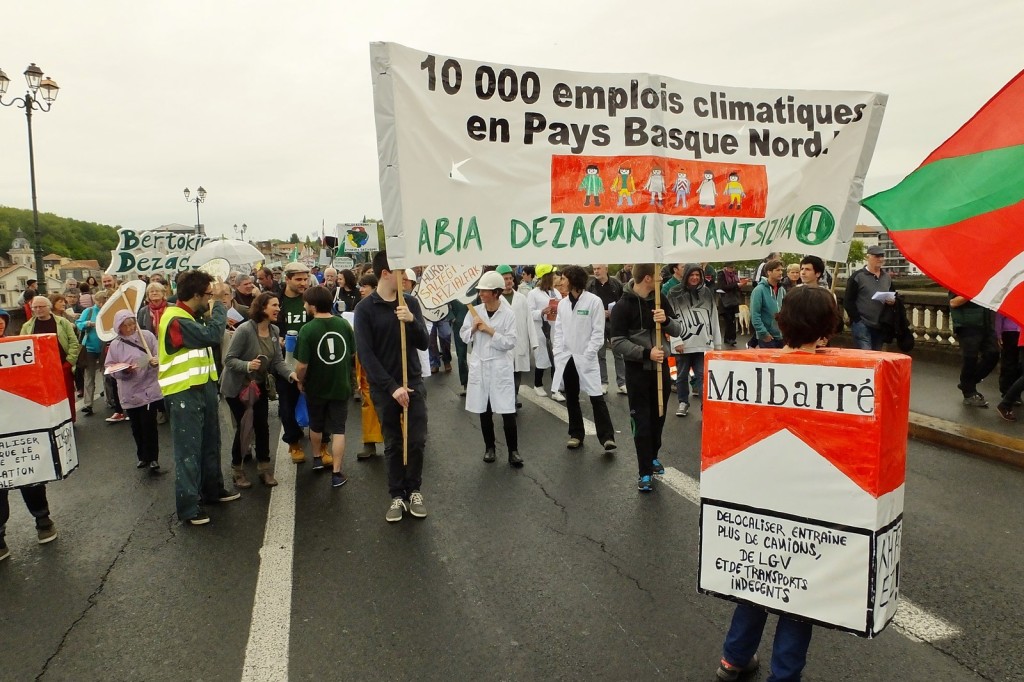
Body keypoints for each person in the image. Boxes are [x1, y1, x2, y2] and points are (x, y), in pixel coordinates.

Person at [714, 285, 842, 682]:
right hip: (807, 499)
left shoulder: (750, 366)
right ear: (825, 329)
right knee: (796, 590)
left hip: (756, 492)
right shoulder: (836, 378)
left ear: (783, 320)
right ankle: (783, 675)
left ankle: (733, 659)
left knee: (758, 574)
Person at [157, 269, 240, 526]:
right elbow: (211, 336)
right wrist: (218, 308)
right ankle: (189, 506)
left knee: (210, 443)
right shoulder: (175, 319)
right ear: (195, 295)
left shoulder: (190, 315)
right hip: (183, 391)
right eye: (206, 294)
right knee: (189, 451)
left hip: (202, 386)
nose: (209, 298)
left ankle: (213, 490)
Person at [354, 251, 430, 523]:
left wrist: (412, 321)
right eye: (401, 272)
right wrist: (391, 387)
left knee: (418, 441)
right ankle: (397, 494)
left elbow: (424, 343)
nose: (406, 278)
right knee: (394, 443)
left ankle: (415, 491)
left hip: (413, 382)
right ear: (386, 273)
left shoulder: (409, 302)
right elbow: (366, 354)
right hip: (385, 389)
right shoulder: (365, 309)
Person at [610, 264, 681, 491]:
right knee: (641, 421)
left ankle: (652, 456)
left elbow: (679, 329)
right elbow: (617, 342)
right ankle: (644, 472)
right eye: (659, 275)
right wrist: (645, 353)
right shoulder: (622, 306)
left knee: (658, 417)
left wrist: (666, 321)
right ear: (648, 278)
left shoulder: (660, 299)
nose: (662, 278)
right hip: (638, 372)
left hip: (660, 371)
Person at [222, 292, 296, 488]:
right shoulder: (245, 330)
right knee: (245, 427)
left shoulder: (274, 331)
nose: (278, 308)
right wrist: (248, 365)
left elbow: (278, 361)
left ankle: (264, 469)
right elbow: (229, 360)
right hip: (238, 387)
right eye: (274, 305)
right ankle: (237, 470)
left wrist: (292, 375)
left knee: (262, 426)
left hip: (259, 386)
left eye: (278, 305)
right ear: (262, 308)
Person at [295, 285, 356, 488]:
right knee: (339, 429)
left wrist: (300, 380)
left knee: (316, 424)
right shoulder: (343, 325)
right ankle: (337, 473)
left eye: (305, 302)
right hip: (340, 384)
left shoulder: (307, 329)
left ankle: (317, 459)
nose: (304, 305)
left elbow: (302, 364)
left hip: (316, 385)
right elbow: (353, 353)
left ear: (312, 306)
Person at [551, 265, 617, 451]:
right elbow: (560, 331)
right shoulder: (563, 304)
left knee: (596, 396)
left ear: (573, 280)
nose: (560, 282)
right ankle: (576, 434)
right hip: (567, 356)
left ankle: (607, 437)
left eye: (563, 279)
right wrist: (558, 352)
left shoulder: (593, 302)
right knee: (571, 396)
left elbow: (598, 332)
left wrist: (588, 354)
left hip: (586, 357)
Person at [461, 271, 523, 467]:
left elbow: (510, 342)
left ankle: (513, 451)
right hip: (481, 367)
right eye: (480, 291)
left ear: (496, 292)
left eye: (485, 291)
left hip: (500, 367)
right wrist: (472, 328)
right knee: (484, 410)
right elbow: (463, 336)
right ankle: (489, 447)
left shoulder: (508, 314)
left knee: (507, 410)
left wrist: (489, 331)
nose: (481, 294)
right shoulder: (474, 312)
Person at [104, 310, 164, 474]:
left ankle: (153, 457)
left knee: (149, 425)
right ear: (119, 327)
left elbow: (159, 353)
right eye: (126, 326)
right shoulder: (116, 345)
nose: (130, 328)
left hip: (148, 387)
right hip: (128, 389)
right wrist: (123, 371)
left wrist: (155, 362)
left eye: (132, 324)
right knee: (136, 426)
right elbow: (109, 367)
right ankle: (142, 456)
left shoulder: (147, 336)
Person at [666, 264, 722, 417]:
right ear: (686, 276)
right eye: (692, 275)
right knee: (682, 375)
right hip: (683, 343)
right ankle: (683, 402)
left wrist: (716, 342)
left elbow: (714, 317)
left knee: (703, 376)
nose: (695, 278)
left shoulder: (707, 293)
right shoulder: (674, 293)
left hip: (703, 343)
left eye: (698, 275)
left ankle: (706, 406)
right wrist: (676, 340)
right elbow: (671, 318)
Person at [23, 295, 81, 423]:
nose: (38, 309)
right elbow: (23, 346)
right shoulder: (27, 326)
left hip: (61, 366)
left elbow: (74, 342)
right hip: (39, 370)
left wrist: (69, 362)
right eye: (35, 307)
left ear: (48, 307)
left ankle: (70, 420)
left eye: (41, 307)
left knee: (67, 395)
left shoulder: (62, 322)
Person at [276, 262, 312, 463]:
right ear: (287, 279)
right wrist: (277, 338)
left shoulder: (310, 298)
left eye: (305, 279)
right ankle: (294, 443)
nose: (303, 283)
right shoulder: (277, 300)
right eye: (298, 279)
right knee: (286, 405)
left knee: (316, 400)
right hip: (285, 361)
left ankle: (321, 442)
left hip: (310, 359)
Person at [949, 290, 999, 407]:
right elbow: (953, 302)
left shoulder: (986, 281)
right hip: (967, 325)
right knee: (970, 359)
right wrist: (974, 292)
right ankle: (969, 393)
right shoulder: (960, 280)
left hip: (986, 324)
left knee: (993, 354)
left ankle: (967, 383)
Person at [354, 272, 385, 459]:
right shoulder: (359, 306)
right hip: (364, 357)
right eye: (360, 286)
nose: (361, 290)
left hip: (385, 357)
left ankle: (397, 441)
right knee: (368, 400)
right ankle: (370, 442)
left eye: (364, 286)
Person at [843, 244, 895, 351]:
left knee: (876, 355)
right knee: (866, 354)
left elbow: (893, 294)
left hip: (880, 324)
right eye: (876, 256)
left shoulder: (887, 277)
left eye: (881, 256)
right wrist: (857, 320)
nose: (880, 259)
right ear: (868, 257)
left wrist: (892, 301)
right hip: (862, 324)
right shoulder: (857, 277)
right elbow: (848, 301)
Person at [496, 265, 533, 404]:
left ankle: (514, 396)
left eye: (510, 278)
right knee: (505, 371)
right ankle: (506, 397)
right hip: (503, 342)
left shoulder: (521, 298)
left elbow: (529, 319)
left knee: (517, 371)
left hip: (519, 341)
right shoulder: (496, 299)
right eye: (505, 279)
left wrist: (533, 342)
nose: (509, 281)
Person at [587, 264, 626, 394]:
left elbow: (623, 301)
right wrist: (599, 313)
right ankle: (603, 382)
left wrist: (614, 312)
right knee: (600, 354)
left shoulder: (616, 284)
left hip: (614, 323)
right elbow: (586, 305)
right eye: (594, 269)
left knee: (618, 353)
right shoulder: (590, 286)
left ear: (606, 269)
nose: (596, 271)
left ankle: (622, 382)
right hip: (597, 324)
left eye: (598, 268)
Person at [527, 264, 562, 400]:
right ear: (546, 277)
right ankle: (538, 384)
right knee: (542, 358)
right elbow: (529, 313)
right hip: (541, 330)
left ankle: (555, 389)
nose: (555, 277)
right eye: (552, 275)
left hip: (555, 328)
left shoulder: (556, 292)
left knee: (556, 358)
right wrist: (542, 311)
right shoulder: (533, 294)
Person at [76, 290, 108, 416]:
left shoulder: (108, 310)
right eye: (99, 302)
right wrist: (87, 323)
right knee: (89, 376)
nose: (101, 304)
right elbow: (78, 324)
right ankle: (88, 404)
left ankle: (109, 400)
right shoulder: (88, 311)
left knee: (107, 375)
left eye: (103, 302)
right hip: (90, 347)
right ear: (95, 301)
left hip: (105, 346)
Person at [750, 259, 786, 349]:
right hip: (767, 337)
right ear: (769, 272)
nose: (781, 272)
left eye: (782, 270)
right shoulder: (759, 290)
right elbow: (755, 315)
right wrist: (764, 334)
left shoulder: (782, 289)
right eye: (778, 270)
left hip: (782, 336)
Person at [716, 263, 742, 346]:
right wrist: (735, 285)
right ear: (726, 268)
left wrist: (739, 285)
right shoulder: (721, 275)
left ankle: (729, 338)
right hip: (725, 301)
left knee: (732, 320)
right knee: (729, 320)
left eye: (733, 267)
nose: (732, 269)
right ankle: (730, 338)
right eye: (731, 267)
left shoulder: (734, 275)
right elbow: (722, 286)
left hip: (733, 301)